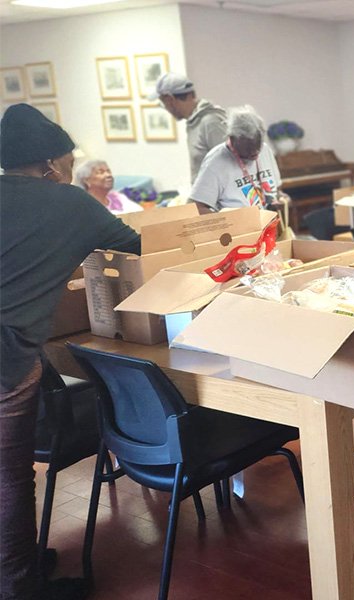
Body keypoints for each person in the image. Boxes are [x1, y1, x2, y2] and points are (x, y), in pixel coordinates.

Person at [0, 104, 142, 600]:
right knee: (11, 476)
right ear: (51, 165)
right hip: (5, 361)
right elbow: (137, 247)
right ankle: (20, 586)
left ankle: (17, 562)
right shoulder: (70, 204)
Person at [190, 106, 282, 213]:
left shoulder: (265, 150)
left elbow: (278, 192)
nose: (254, 154)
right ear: (232, 139)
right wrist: (229, 221)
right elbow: (196, 208)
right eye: (248, 148)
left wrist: (282, 199)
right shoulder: (215, 161)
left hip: (270, 225)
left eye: (258, 147)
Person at [150, 72, 228, 182]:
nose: (166, 108)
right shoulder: (194, 122)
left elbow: (230, 167)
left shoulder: (210, 122)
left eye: (164, 103)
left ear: (170, 99)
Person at [72, 159, 144, 215]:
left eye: (108, 171)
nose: (108, 175)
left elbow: (139, 213)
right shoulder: (84, 205)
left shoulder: (116, 197)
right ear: (86, 180)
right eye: (101, 172)